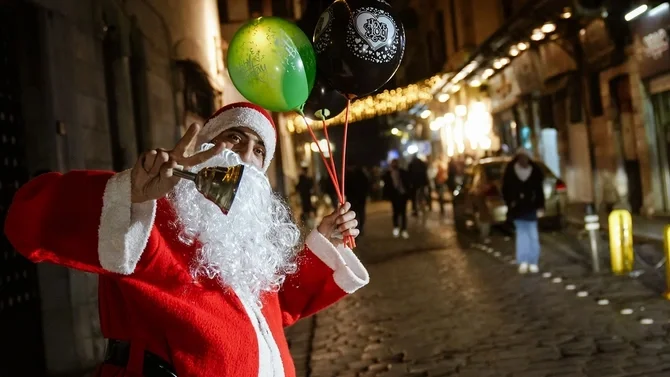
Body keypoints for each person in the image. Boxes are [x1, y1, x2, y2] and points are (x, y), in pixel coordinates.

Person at [4, 102, 369, 377]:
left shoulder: (246, 240)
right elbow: (30, 222)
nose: (244, 155)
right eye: (235, 138)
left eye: (258, 150)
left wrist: (323, 242)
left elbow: (274, 310)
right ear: (203, 149)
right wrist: (129, 192)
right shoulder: (155, 214)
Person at [502, 148, 545, 274]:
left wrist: (540, 206)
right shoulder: (511, 172)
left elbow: (539, 191)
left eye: (525, 158)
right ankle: (523, 261)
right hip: (518, 209)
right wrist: (511, 202)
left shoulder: (535, 172)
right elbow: (506, 190)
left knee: (532, 235)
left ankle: (533, 261)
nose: (523, 160)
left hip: (531, 208)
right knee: (522, 235)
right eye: (521, 157)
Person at [382, 159, 411, 239]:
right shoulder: (388, 174)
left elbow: (407, 181)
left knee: (403, 212)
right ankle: (396, 227)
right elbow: (387, 185)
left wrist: (408, 192)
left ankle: (404, 229)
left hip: (403, 194)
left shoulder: (402, 172)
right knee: (395, 212)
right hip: (394, 196)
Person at [345, 165, 370, 237]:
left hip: (355, 198)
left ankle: (359, 229)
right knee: (359, 213)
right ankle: (359, 229)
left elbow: (366, 184)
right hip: (358, 198)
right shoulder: (358, 175)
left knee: (357, 214)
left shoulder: (351, 175)